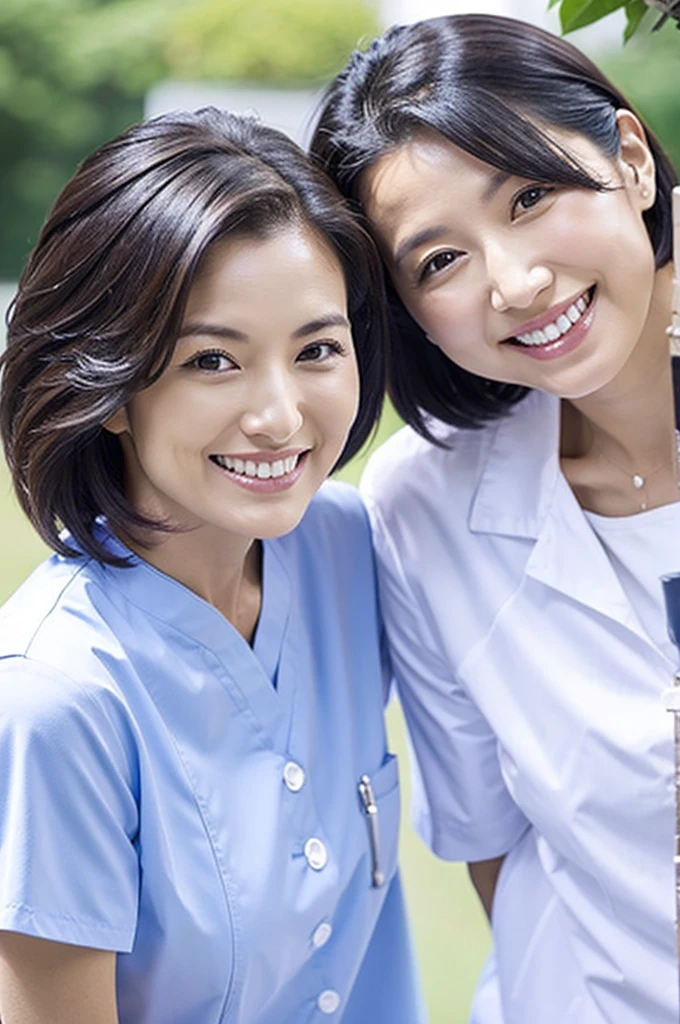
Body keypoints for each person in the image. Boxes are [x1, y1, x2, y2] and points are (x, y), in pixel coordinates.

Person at [0, 108, 427, 1024]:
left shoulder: (348, 552)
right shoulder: (53, 700)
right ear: (108, 386)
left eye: (316, 349)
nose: (279, 415)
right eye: (211, 361)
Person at [310, 13, 680, 1024]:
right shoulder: (422, 507)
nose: (514, 283)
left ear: (629, 159)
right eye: (437, 261)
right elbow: (491, 847)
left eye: (529, 195)